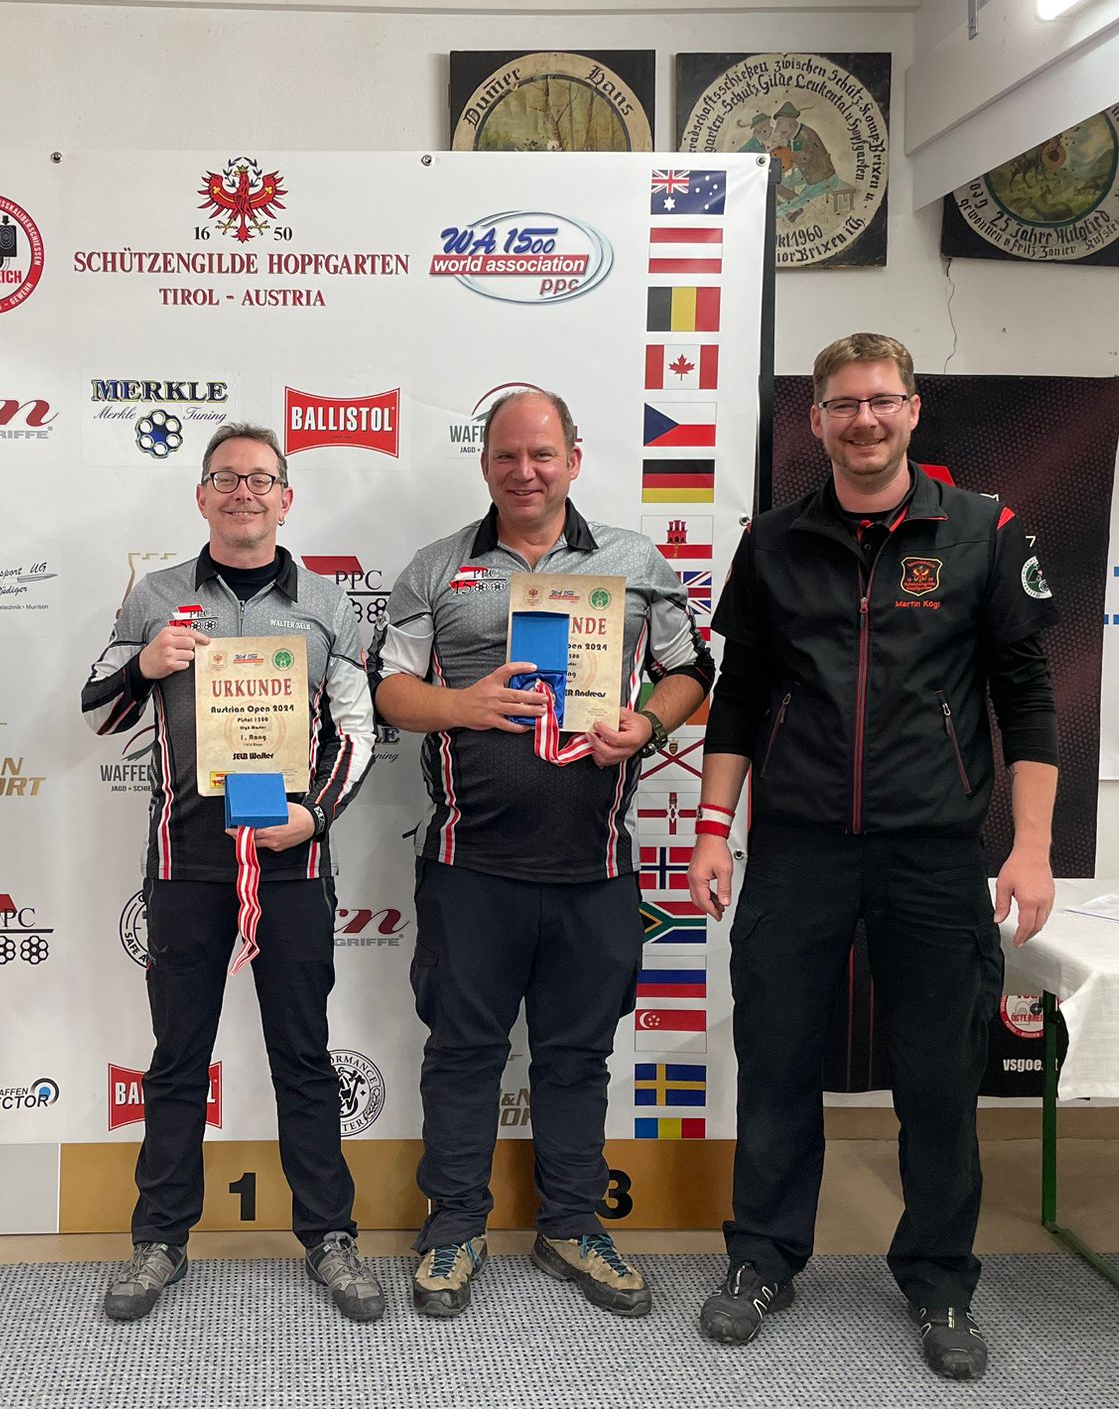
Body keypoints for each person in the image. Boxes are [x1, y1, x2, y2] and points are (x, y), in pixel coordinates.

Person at [688, 333, 1060, 1382]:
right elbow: (739, 696)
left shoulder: (982, 529)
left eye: (881, 400)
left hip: (932, 853)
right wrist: (712, 828)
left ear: (912, 410)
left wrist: (1031, 847)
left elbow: (1027, 698)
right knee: (775, 1065)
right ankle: (762, 1260)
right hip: (797, 849)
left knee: (938, 1078)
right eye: (843, 404)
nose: (863, 419)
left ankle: (939, 1280)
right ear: (814, 421)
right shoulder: (772, 542)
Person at [371, 387, 713, 1319]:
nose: (525, 472)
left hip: (593, 870)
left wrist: (648, 724)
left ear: (573, 458)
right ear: (485, 463)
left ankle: (570, 1225)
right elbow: (390, 688)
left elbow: (692, 669)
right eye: (507, 456)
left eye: (543, 454)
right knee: (463, 1054)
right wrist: (461, 704)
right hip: (468, 866)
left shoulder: (635, 563)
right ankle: (453, 1227)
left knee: (576, 1057)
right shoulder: (437, 568)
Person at [80, 423, 382, 1323]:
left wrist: (314, 815)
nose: (243, 492)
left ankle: (330, 1236)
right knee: (178, 1058)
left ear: (286, 498)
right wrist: (146, 664)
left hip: (292, 865)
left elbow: (358, 728)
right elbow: (98, 714)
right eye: (225, 478)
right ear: (201, 496)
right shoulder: (157, 597)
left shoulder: (327, 605)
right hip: (187, 865)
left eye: (260, 479)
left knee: (304, 1057)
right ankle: (159, 1240)